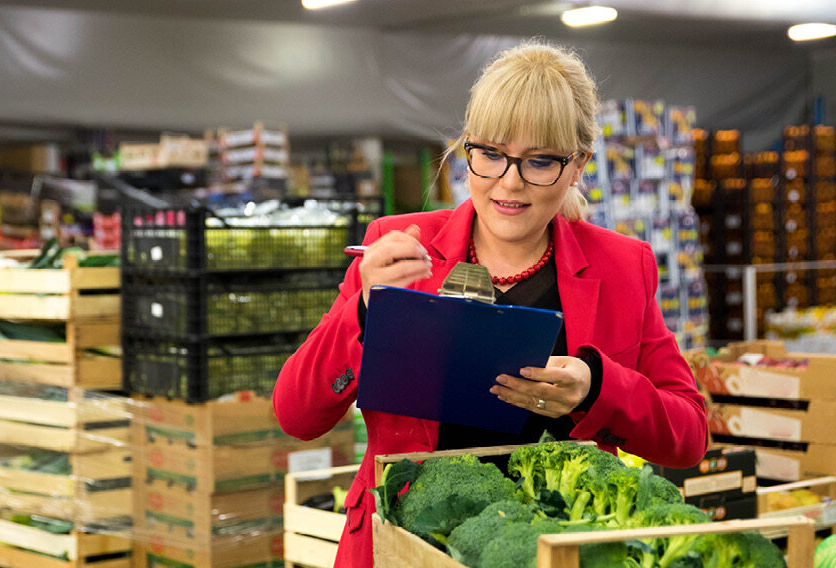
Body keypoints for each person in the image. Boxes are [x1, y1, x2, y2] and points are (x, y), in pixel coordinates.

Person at [272, 41, 708, 568]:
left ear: (578, 166)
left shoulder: (621, 268)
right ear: (466, 148)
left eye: (540, 161)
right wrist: (363, 309)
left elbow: (688, 435)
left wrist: (597, 387)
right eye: (491, 154)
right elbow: (296, 414)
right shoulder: (397, 247)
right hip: (402, 547)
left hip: (556, 548)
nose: (509, 181)